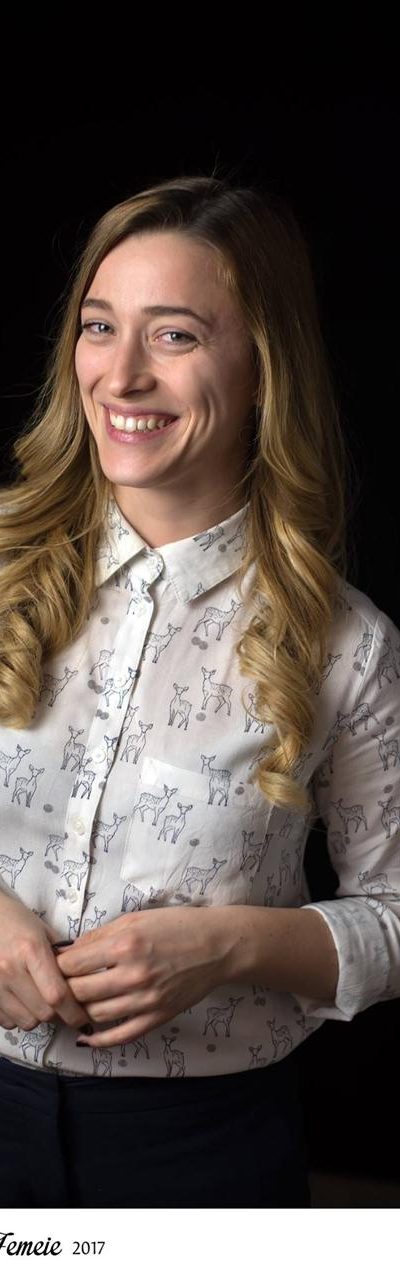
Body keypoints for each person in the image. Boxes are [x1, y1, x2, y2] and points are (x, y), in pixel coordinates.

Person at [0, 173, 399, 1210]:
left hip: (200, 1154)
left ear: (264, 366)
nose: (121, 374)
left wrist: (232, 945)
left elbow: (397, 915)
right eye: (99, 327)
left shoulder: (346, 644)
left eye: (173, 335)